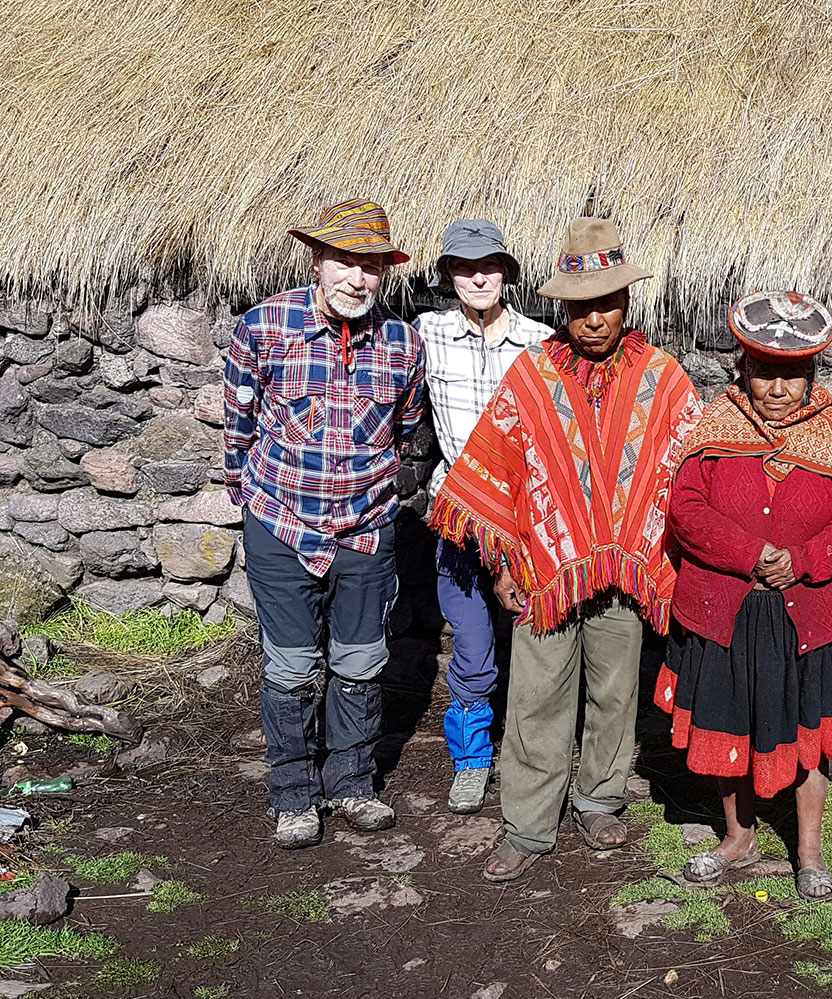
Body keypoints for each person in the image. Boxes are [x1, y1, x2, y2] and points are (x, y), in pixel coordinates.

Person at [430, 217, 700, 881]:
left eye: (608, 303)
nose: (596, 318)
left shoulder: (663, 379)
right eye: (582, 306)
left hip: (628, 568)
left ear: (627, 302)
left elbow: (695, 464)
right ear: (563, 307)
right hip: (544, 571)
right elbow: (492, 471)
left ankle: (600, 796)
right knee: (536, 695)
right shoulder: (531, 376)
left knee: (614, 691)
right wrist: (499, 566)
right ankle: (526, 823)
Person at [654, 290, 832, 901]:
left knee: (807, 729)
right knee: (730, 721)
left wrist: (801, 561)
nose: (777, 389)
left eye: (792, 375)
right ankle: (738, 837)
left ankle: (808, 849)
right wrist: (752, 556)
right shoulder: (713, 430)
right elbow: (687, 509)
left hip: (808, 613)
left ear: (810, 376)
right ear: (742, 371)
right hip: (726, 610)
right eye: (765, 374)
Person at [223, 199, 425, 849]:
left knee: (362, 661)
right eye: (345, 260)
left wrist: (370, 496)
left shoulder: (402, 344)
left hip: (366, 530)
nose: (357, 278)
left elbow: (408, 429)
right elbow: (239, 428)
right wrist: (251, 500)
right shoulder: (263, 327)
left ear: (384, 273)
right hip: (282, 525)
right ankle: (293, 795)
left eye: (371, 264)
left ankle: (351, 782)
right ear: (317, 259)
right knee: (290, 665)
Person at [417, 220, 553, 814]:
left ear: (506, 272)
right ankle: (472, 759)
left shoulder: (541, 343)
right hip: (460, 516)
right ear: (448, 275)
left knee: (535, 635)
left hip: (529, 521)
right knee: (472, 643)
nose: (478, 276)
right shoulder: (425, 335)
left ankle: (535, 752)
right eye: (464, 266)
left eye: (489, 265)